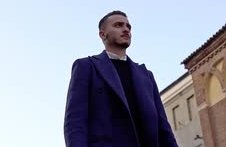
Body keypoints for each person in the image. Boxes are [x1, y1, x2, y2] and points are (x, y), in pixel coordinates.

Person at [64, 10, 178, 147]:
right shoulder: (86, 67)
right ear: (102, 34)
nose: (125, 29)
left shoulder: (146, 76)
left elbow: (163, 126)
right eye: (118, 25)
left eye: (128, 27)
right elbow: (75, 121)